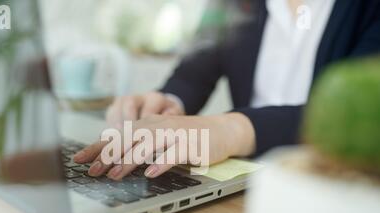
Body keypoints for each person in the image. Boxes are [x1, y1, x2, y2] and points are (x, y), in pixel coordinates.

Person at [74, 0, 380, 180]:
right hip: (245, 187)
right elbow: (195, 71)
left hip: (334, 191)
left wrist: (232, 129)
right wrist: (166, 102)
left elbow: (366, 112)